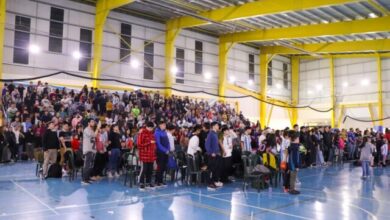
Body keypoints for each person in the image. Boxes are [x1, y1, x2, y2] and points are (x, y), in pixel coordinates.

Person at [138, 122, 156, 191]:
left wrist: (154, 154)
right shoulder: (142, 133)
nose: (151, 129)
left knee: (150, 170)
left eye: (152, 128)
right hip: (144, 155)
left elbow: (154, 145)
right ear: (147, 127)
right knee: (144, 169)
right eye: (150, 128)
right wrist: (149, 143)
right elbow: (139, 145)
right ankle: (141, 183)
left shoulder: (152, 134)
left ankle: (148, 182)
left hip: (151, 155)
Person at [82, 119, 100, 185]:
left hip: (92, 150)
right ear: (88, 123)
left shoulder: (91, 130)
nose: (93, 123)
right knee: (87, 165)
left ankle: (87, 178)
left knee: (90, 165)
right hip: (88, 150)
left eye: (94, 122)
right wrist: (97, 128)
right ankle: (84, 180)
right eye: (92, 122)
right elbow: (94, 135)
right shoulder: (86, 129)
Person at [205, 122, 222, 190]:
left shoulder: (215, 134)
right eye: (217, 125)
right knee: (211, 169)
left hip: (217, 154)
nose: (218, 126)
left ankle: (214, 182)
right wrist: (211, 152)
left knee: (215, 169)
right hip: (212, 155)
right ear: (214, 126)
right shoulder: (210, 134)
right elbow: (207, 144)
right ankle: (210, 184)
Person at [154, 119, 170, 187]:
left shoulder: (165, 132)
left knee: (164, 167)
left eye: (165, 125)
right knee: (160, 167)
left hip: (166, 152)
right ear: (160, 125)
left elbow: (168, 142)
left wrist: (168, 149)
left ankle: (161, 180)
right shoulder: (157, 132)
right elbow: (158, 144)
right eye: (163, 125)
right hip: (160, 152)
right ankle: (157, 181)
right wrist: (165, 150)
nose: (165, 126)